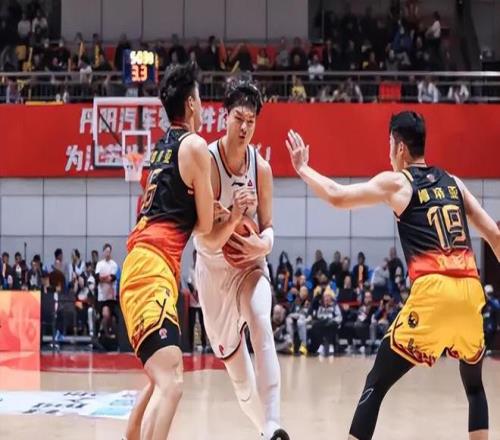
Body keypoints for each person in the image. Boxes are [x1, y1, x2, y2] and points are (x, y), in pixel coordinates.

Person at [285, 111, 500, 440]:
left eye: (389, 145)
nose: (388, 153)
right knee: (474, 386)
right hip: (470, 290)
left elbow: (338, 196)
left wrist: (303, 168)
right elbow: (494, 235)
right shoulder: (453, 182)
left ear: (400, 147)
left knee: (376, 382)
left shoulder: (399, 182)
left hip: (433, 291)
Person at [120, 63, 214, 440]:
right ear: (191, 104)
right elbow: (205, 226)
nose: (203, 106)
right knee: (172, 380)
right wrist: (231, 213)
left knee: (160, 375)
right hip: (151, 269)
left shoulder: (160, 149)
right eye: (200, 99)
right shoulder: (195, 145)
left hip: (141, 265)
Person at [194, 79, 289, 440]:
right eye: (239, 118)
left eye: (251, 121)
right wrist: (234, 217)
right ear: (225, 117)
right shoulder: (206, 163)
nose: (245, 127)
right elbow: (204, 239)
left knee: (262, 319)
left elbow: (269, 228)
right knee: (241, 382)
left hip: (248, 266)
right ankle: (263, 430)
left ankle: (274, 423)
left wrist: (262, 246)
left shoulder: (260, 168)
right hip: (213, 272)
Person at [95, 244, 118, 317]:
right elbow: (97, 278)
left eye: (109, 252)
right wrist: (106, 276)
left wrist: (102, 277)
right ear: (103, 252)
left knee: (108, 316)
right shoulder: (99, 264)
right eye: (106, 251)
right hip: (101, 295)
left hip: (110, 296)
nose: (107, 254)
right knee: (102, 316)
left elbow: (111, 278)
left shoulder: (114, 264)